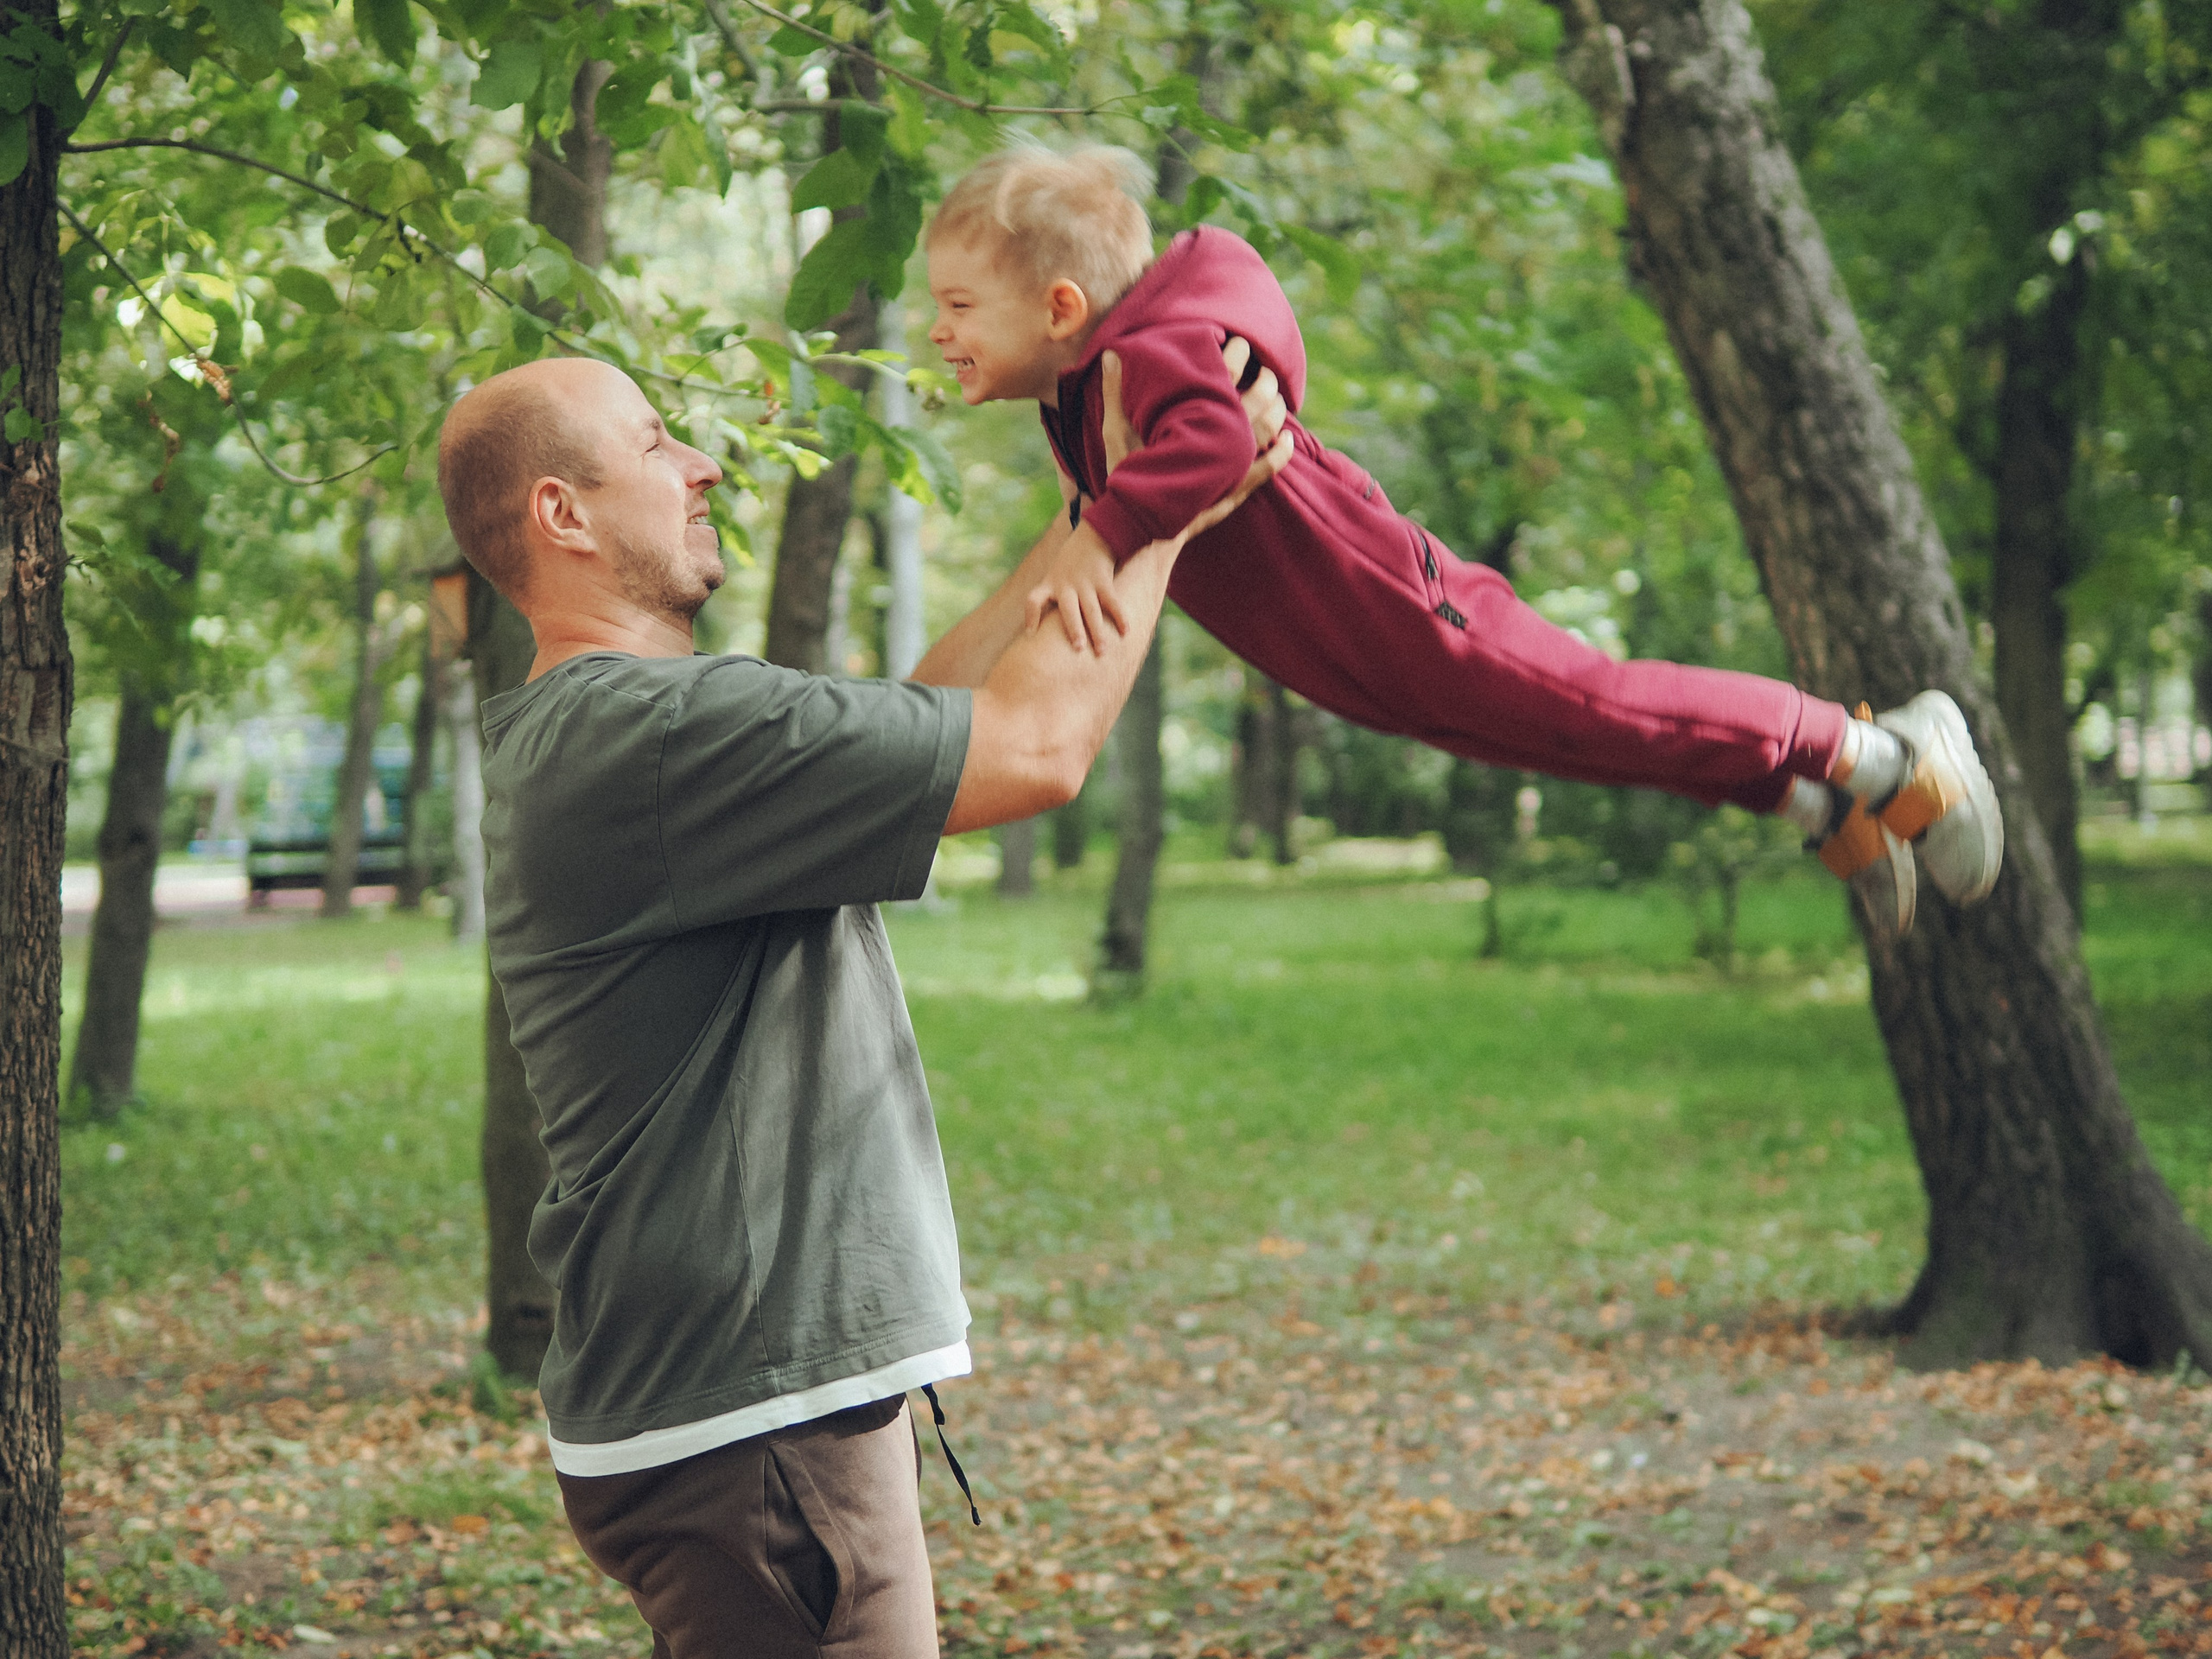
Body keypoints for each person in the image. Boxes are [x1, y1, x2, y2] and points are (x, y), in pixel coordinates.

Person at [433, 342, 1287, 1658]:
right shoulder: (656, 737)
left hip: (731, 1418)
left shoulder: (622, 729)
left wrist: (1097, 514)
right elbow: (1035, 749)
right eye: (657, 444)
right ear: (565, 514)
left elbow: (924, 718)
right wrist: (1175, 503)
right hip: (755, 1431)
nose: (703, 463)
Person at [923, 145, 2005, 939]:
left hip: (1388, 595)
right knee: (1542, 740)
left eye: (959, 305)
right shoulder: (1076, 401)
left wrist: (1099, 534)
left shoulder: (1149, 353)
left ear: (1064, 305)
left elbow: (1216, 438)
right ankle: (1806, 795)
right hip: (1337, 644)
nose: (938, 331)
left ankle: (1883, 750)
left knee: (1589, 699)